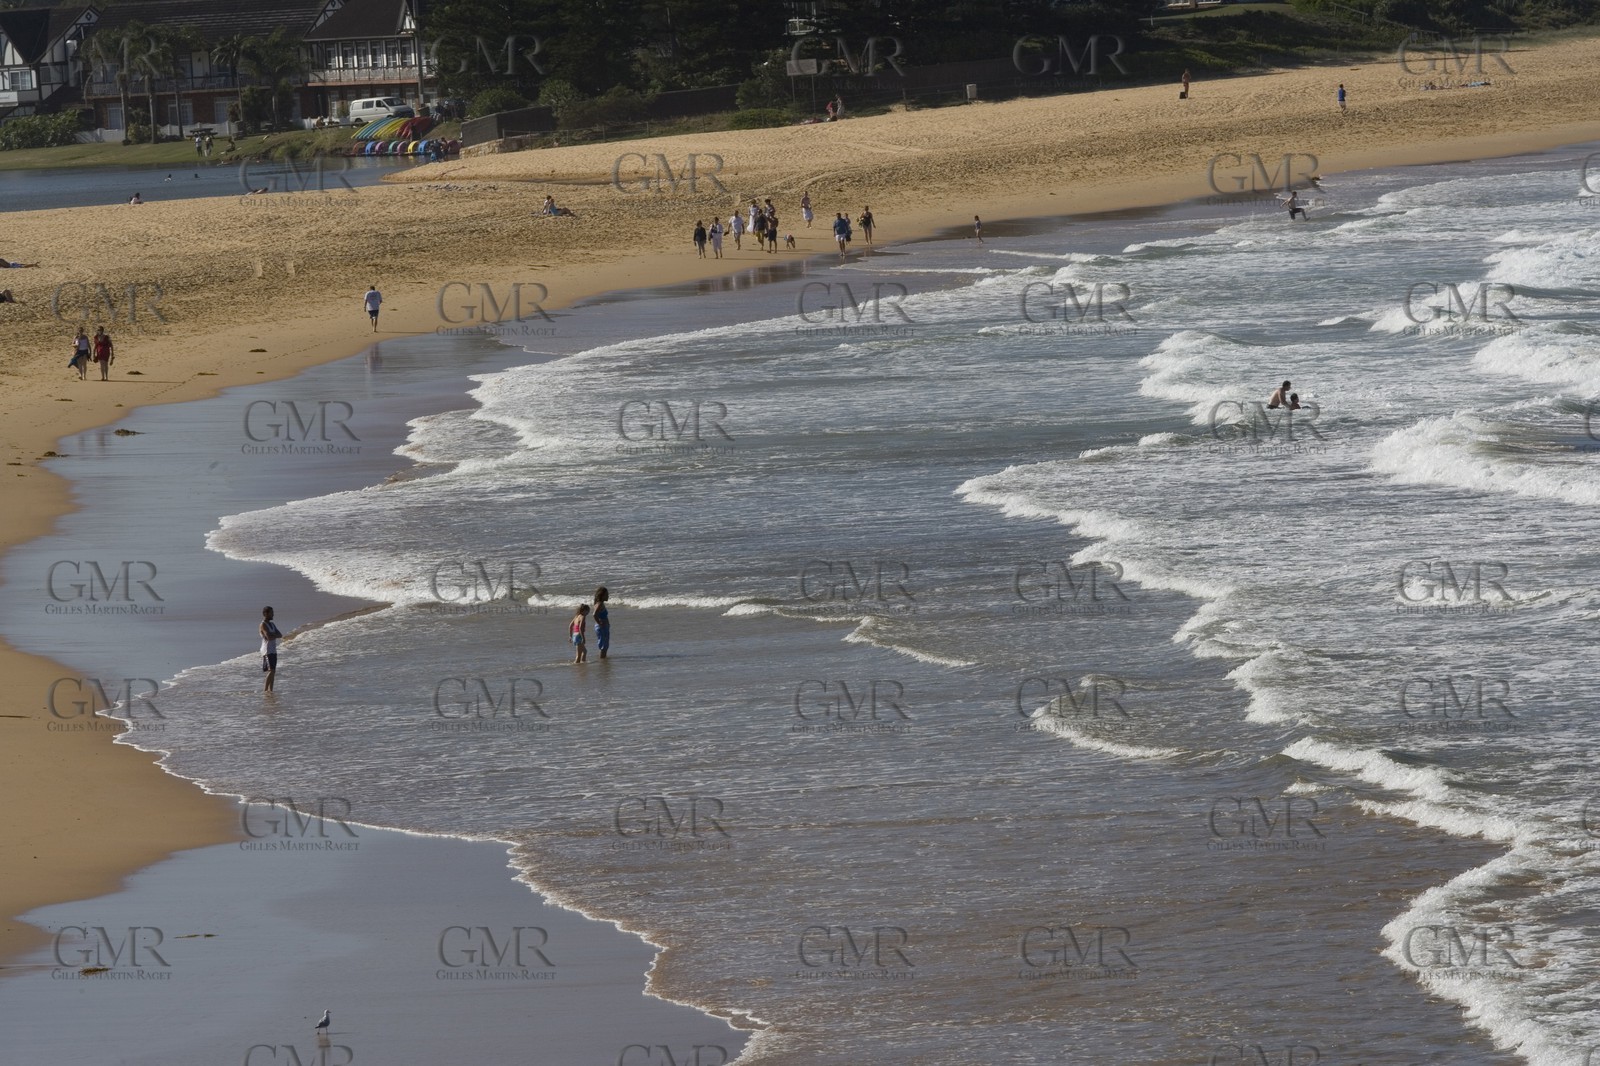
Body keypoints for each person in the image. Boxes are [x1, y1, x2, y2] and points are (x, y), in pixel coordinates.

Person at [260, 606, 282, 693]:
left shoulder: (272, 624)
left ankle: (270, 691)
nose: (273, 615)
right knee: (271, 670)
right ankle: (265, 690)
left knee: (273, 671)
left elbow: (280, 635)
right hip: (267, 651)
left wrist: (273, 635)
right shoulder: (263, 625)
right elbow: (268, 637)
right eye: (271, 613)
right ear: (266, 614)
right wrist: (273, 635)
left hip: (273, 650)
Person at [592, 587, 611, 660]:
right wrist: (599, 623)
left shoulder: (598, 603)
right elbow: (594, 614)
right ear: (602, 595)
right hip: (602, 627)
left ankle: (603, 659)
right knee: (603, 646)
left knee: (604, 645)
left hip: (602, 627)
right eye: (606, 595)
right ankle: (602, 661)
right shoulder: (600, 604)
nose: (608, 596)